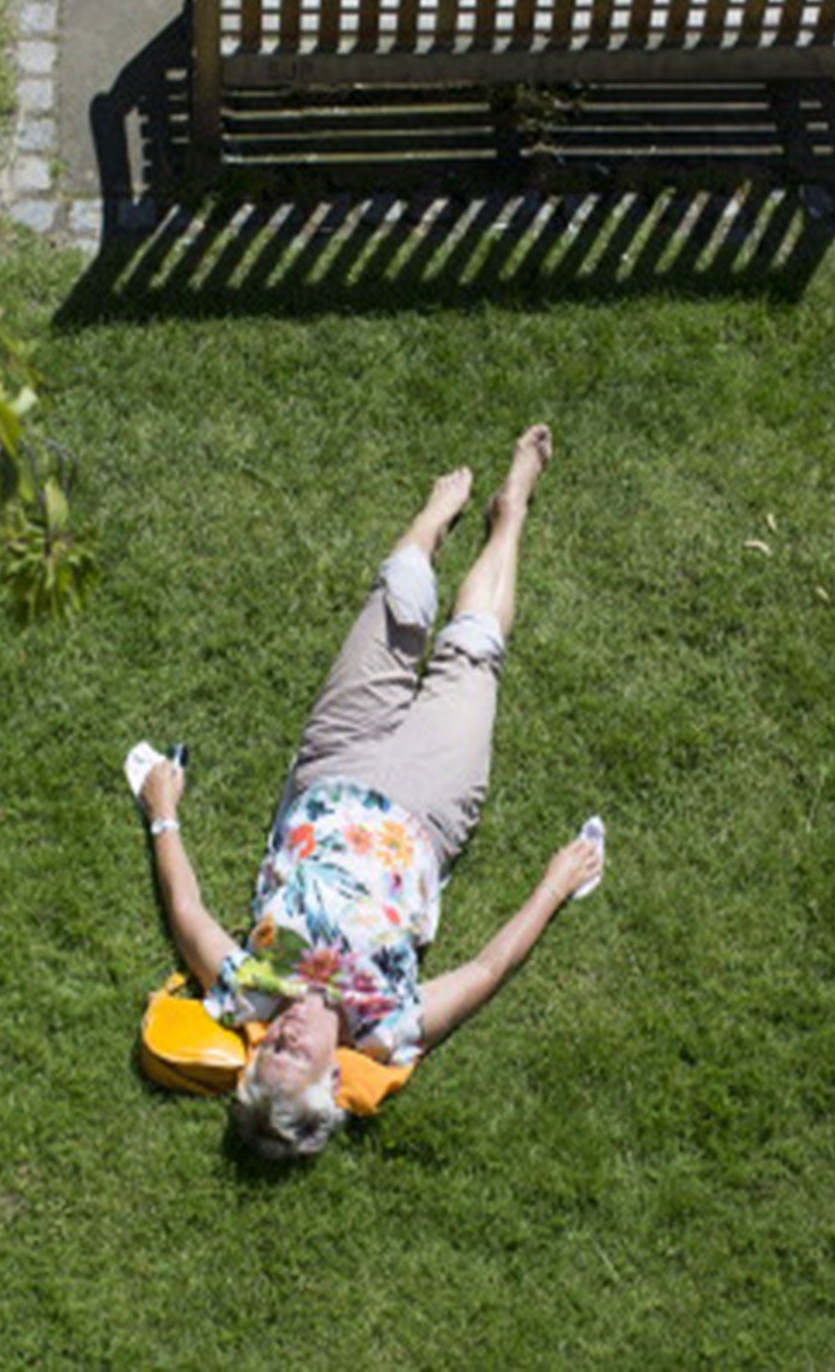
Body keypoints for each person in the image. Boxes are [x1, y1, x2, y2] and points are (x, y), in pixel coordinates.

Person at [135, 425, 604, 1161]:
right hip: (428, 805)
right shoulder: (390, 1029)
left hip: (332, 767)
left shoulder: (249, 990)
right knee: (474, 643)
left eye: (266, 1057)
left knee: (403, 589)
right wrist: (552, 885)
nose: (282, 1040)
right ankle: (511, 510)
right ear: (332, 1074)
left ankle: (432, 518)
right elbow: (485, 969)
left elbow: (187, 909)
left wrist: (164, 812)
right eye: (293, 1059)